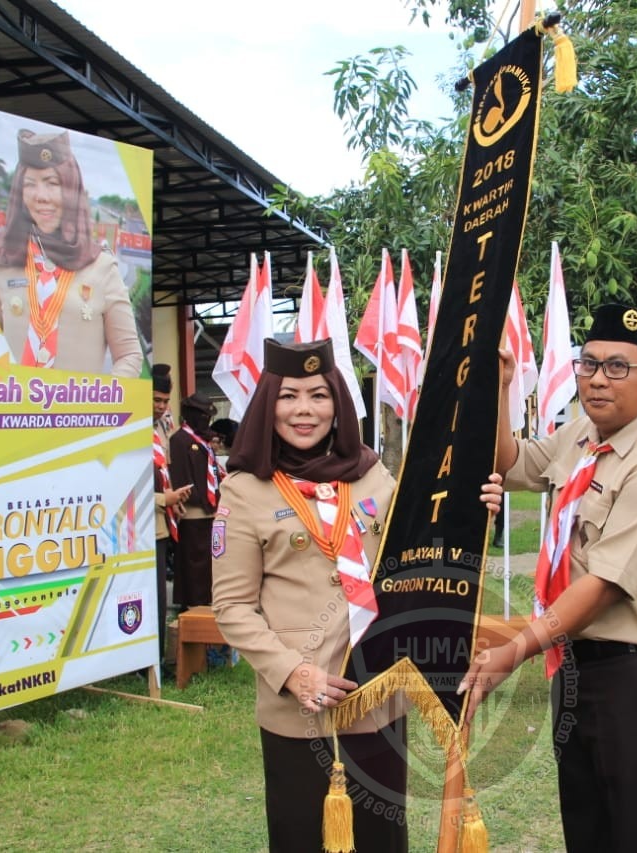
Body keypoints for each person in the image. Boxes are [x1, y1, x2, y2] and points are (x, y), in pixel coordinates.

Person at [211, 338, 502, 853]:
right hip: (297, 705)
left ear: (339, 404)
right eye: (289, 396)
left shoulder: (371, 474)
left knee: (382, 837)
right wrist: (292, 673)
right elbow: (232, 608)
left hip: (379, 695)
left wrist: (474, 508)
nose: (305, 410)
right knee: (304, 835)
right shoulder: (244, 489)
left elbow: (421, 548)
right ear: (267, 404)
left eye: (319, 395)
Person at [460, 303, 637, 853]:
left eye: (618, 367)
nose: (597, 379)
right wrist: (500, 390)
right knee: (588, 827)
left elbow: (602, 587)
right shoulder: (585, 435)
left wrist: (514, 650)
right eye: (588, 364)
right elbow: (513, 460)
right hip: (576, 667)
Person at [0, 128, 142, 377]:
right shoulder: (2, 261)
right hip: (13, 412)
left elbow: (129, 355)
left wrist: (100, 405)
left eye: (52, 183)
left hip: (82, 415)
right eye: (30, 185)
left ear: (71, 191)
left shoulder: (101, 266)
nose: (41, 196)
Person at [152, 364, 191, 668]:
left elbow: (161, 472)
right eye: (156, 400)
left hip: (160, 526)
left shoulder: (161, 429)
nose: (162, 407)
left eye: (165, 401)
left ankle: (156, 658)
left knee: (159, 601)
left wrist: (172, 499)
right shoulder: (125, 428)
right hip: (137, 529)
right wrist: (164, 498)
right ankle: (143, 662)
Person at [170, 391, 219, 609]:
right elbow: (181, 476)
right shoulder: (180, 440)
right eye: (201, 416)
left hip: (211, 511)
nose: (205, 421)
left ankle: (207, 603)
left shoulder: (204, 441)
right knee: (193, 561)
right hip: (192, 511)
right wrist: (197, 498)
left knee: (209, 563)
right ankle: (192, 606)